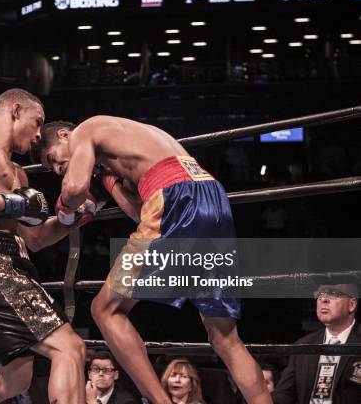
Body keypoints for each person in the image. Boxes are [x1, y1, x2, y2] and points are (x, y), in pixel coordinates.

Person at [30, 117, 272, 404]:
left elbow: (73, 188)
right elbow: (142, 215)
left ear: (63, 134)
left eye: (53, 159)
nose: (57, 169)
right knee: (224, 338)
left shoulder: (86, 129)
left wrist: (66, 210)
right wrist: (110, 182)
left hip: (174, 197)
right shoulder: (129, 141)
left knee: (105, 309)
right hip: (209, 196)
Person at [0, 89, 90, 404]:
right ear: (15, 110)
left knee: (15, 379)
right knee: (70, 348)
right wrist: (13, 204)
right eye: (36, 122)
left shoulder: (18, 174)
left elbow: (35, 239)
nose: (39, 134)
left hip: (11, 262)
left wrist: (72, 220)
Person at [272, 283, 361, 403]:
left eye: (333, 294)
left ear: (352, 304)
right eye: (320, 294)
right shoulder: (303, 345)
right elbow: (283, 396)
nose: (323, 299)